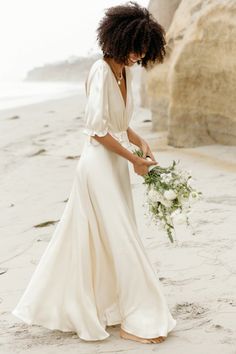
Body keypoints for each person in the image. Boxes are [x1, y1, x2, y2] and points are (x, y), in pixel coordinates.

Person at [12, 1, 177, 345]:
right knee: (121, 238)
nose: (137, 56)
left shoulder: (125, 72)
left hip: (115, 164)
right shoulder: (101, 71)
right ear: (119, 39)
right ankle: (139, 316)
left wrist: (139, 141)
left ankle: (108, 305)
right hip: (97, 166)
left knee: (109, 237)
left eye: (143, 50)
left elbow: (118, 124)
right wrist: (133, 160)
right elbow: (97, 131)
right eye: (135, 48)